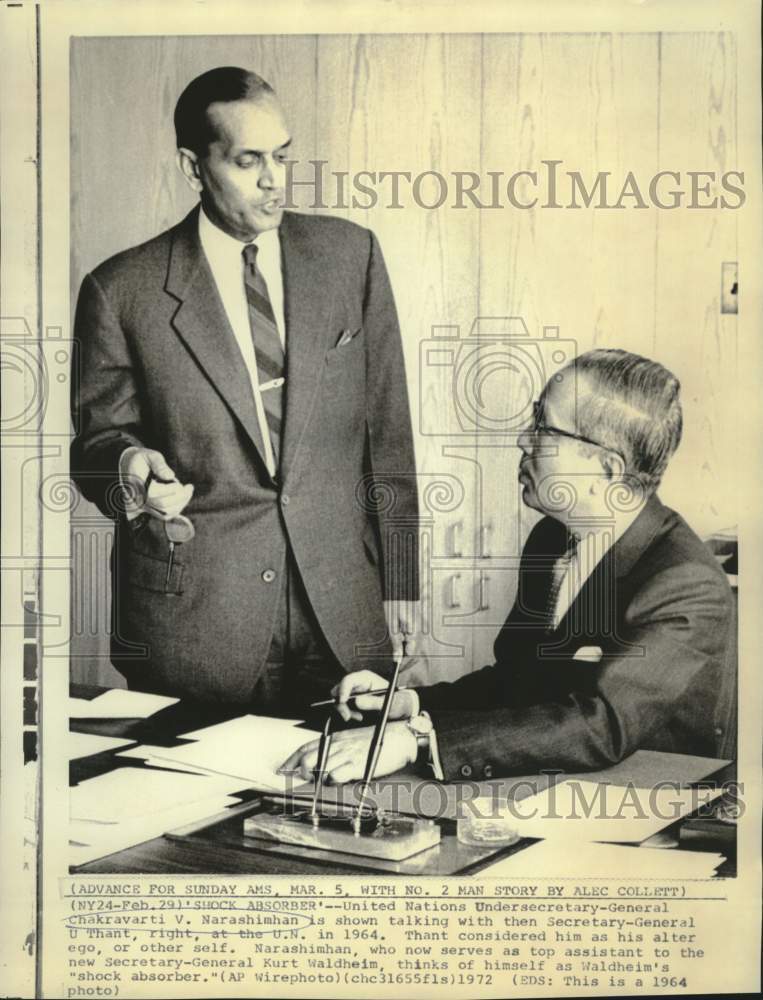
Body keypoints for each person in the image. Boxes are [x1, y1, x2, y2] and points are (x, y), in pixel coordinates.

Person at [70, 67, 419, 710]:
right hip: (194, 625)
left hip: (342, 610)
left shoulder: (351, 255)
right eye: (248, 160)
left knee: (340, 803)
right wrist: (129, 465)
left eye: (282, 156)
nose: (273, 180)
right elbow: (96, 441)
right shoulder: (121, 290)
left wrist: (401, 580)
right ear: (192, 165)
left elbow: (386, 431)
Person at [282, 349, 735, 781]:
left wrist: (415, 740)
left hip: (645, 817)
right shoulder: (550, 539)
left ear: (607, 468)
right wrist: (409, 703)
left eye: (545, 427)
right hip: (541, 789)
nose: (523, 439)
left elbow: (600, 724)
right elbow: (516, 683)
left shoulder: (684, 584)